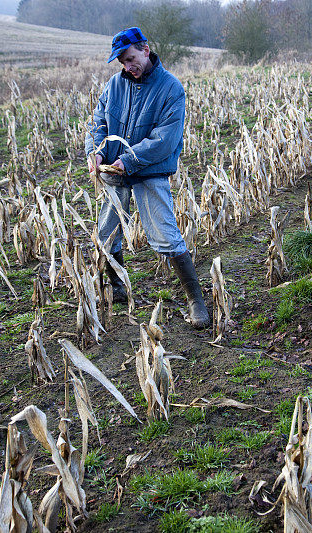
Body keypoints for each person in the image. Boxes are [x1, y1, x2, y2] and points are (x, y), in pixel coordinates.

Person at [85, 27, 210, 329]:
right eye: (122, 62)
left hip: (147, 171)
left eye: (130, 59)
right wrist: (97, 152)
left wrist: (128, 160)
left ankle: (196, 300)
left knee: (166, 234)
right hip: (113, 170)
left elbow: (165, 139)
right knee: (107, 232)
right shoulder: (115, 85)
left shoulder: (170, 88)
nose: (128, 67)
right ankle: (117, 288)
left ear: (145, 49)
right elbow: (98, 122)